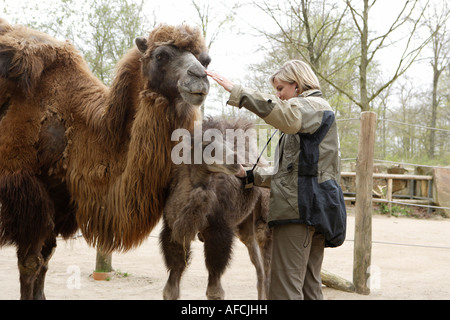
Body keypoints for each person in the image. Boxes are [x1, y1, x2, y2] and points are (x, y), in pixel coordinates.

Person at [206, 60, 346, 300]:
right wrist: (249, 174)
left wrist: (238, 92)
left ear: (298, 86)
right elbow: (291, 174)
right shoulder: (311, 115)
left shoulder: (312, 107)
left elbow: (285, 117)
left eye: (281, 89)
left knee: (283, 290)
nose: (278, 95)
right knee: (308, 287)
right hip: (314, 208)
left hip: (300, 212)